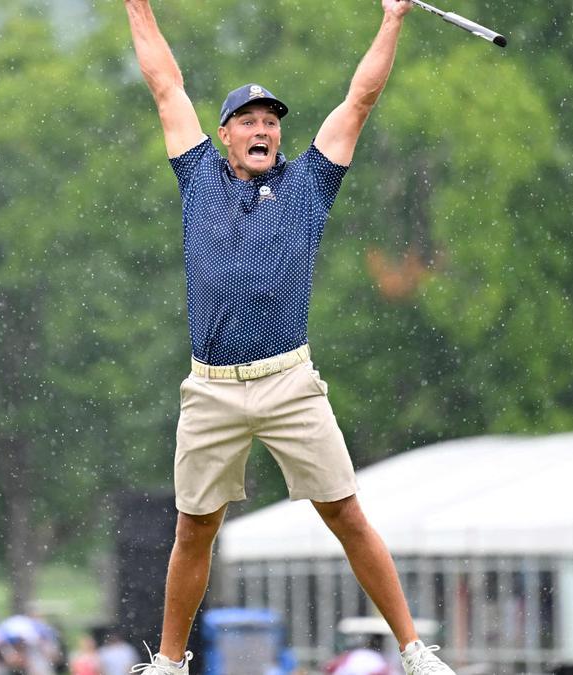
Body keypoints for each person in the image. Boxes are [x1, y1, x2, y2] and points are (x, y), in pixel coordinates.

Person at [120, 1, 456, 674]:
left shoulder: (308, 182)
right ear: (223, 134)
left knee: (346, 512)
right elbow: (164, 84)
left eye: (271, 120)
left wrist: (392, 17)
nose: (262, 128)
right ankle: (171, 662)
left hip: (288, 381)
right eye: (248, 119)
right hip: (211, 386)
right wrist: (138, 6)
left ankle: (414, 650)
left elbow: (359, 99)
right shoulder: (196, 178)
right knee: (194, 527)